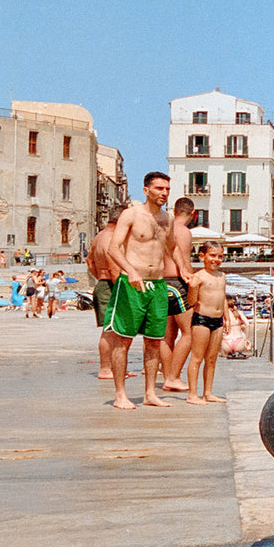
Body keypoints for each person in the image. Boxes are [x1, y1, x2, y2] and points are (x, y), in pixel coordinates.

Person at [102, 171, 174, 410]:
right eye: (159, 188)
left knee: (155, 341)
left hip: (158, 285)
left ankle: (150, 393)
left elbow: (171, 251)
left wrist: (186, 272)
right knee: (123, 340)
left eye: (166, 189)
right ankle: (120, 394)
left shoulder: (167, 219)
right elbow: (114, 248)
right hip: (132, 283)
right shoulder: (131, 214)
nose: (164, 193)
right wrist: (130, 270)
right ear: (146, 190)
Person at [183, 241, 227, 405]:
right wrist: (193, 288)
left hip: (218, 320)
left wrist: (227, 317)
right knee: (197, 357)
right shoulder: (199, 276)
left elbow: (222, 298)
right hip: (202, 319)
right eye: (212, 255)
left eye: (220, 256)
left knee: (212, 358)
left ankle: (208, 392)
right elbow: (191, 302)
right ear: (202, 257)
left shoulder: (222, 276)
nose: (216, 259)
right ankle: (192, 394)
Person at [160, 197, 196, 392]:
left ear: (174, 211)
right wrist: (193, 284)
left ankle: (168, 377)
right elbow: (182, 259)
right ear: (193, 213)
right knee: (190, 333)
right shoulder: (183, 231)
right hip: (177, 282)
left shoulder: (164, 228)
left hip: (162, 283)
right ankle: (173, 377)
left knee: (167, 336)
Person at [88, 208, 128, 379]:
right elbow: (114, 268)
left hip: (103, 284)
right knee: (109, 330)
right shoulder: (112, 238)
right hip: (111, 285)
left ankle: (115, 368)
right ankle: (105, 369)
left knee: (114, 329)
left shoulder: (99, 236)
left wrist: (100, 277)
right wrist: (122, 288)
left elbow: (90, 261)